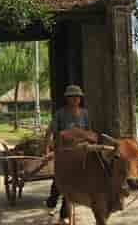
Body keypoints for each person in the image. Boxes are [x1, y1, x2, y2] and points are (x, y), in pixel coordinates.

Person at [44, 84, 90, 221]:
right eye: (72, 97)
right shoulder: (60, 114)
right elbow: (50, 132)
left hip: (80, 152)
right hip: (63, 152)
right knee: (59, 181)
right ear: (67, 99)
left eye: (78, 97)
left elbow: (89, 132)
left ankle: (64, 214)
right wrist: (46, 150)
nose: (75, 99)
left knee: (72, 183)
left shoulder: (85, 114)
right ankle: (52, 201)